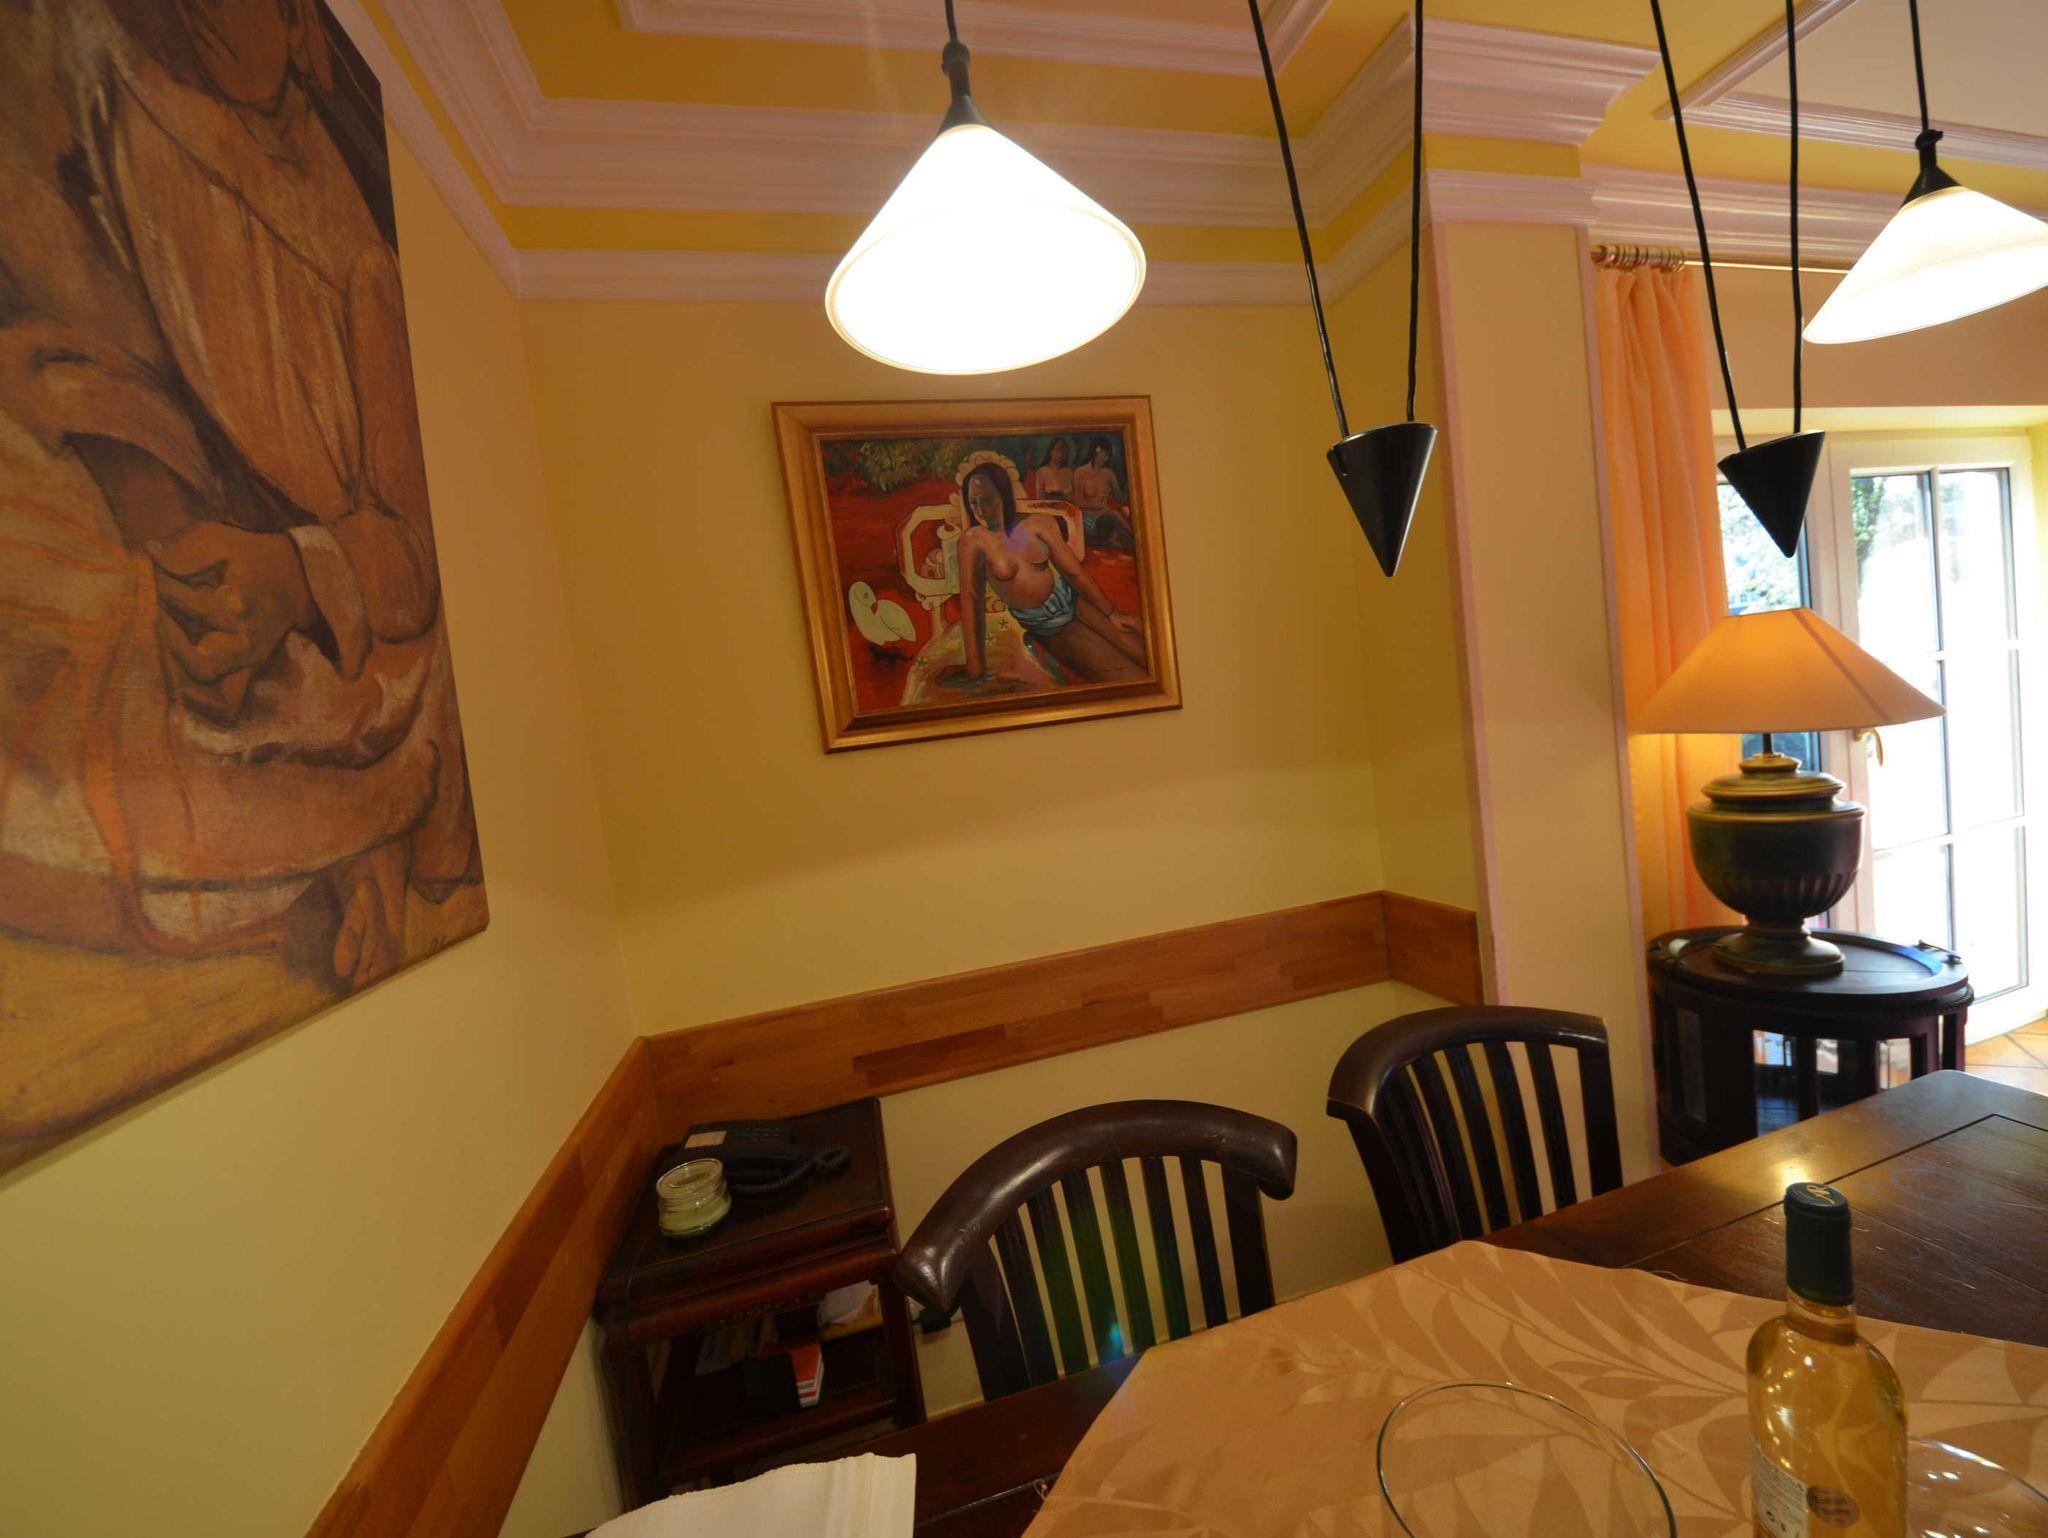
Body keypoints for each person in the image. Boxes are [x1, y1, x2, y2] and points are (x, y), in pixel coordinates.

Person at [951, 462, 1147, 686]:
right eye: (973, 502)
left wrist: (1112, 613)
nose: (980, 510)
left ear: (1003, 495)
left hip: (1074, 602)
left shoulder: (1038, 524)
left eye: (986, 500)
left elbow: (1074, 573)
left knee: (1144, 652)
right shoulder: (973, 541)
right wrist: (975, 666)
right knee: (1127, 675)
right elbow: (972, 600)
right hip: (1048, 626)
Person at [1071, 438, 1136, 550]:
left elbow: (1121, 498)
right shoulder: (1080, 472)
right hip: (1088, 521)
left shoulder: (1109, 474)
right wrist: (1096, 505)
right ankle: (1134, 543)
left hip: (1106, 518)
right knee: (1113, 516)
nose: (1107, 457)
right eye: (1105, 453)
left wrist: (1131, 481)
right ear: (1096, 452)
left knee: (1113, 516)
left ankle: (1134, 543)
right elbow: (1077, 502)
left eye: (1108, 454)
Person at [1030, 436, 1076, 502]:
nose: (1062, 453)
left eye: (1064, 450)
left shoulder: (1069, 472)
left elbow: (1074, 498)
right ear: (1051, 452)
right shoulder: (1042, 471)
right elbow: (1040, 497)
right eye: (1059, 449)